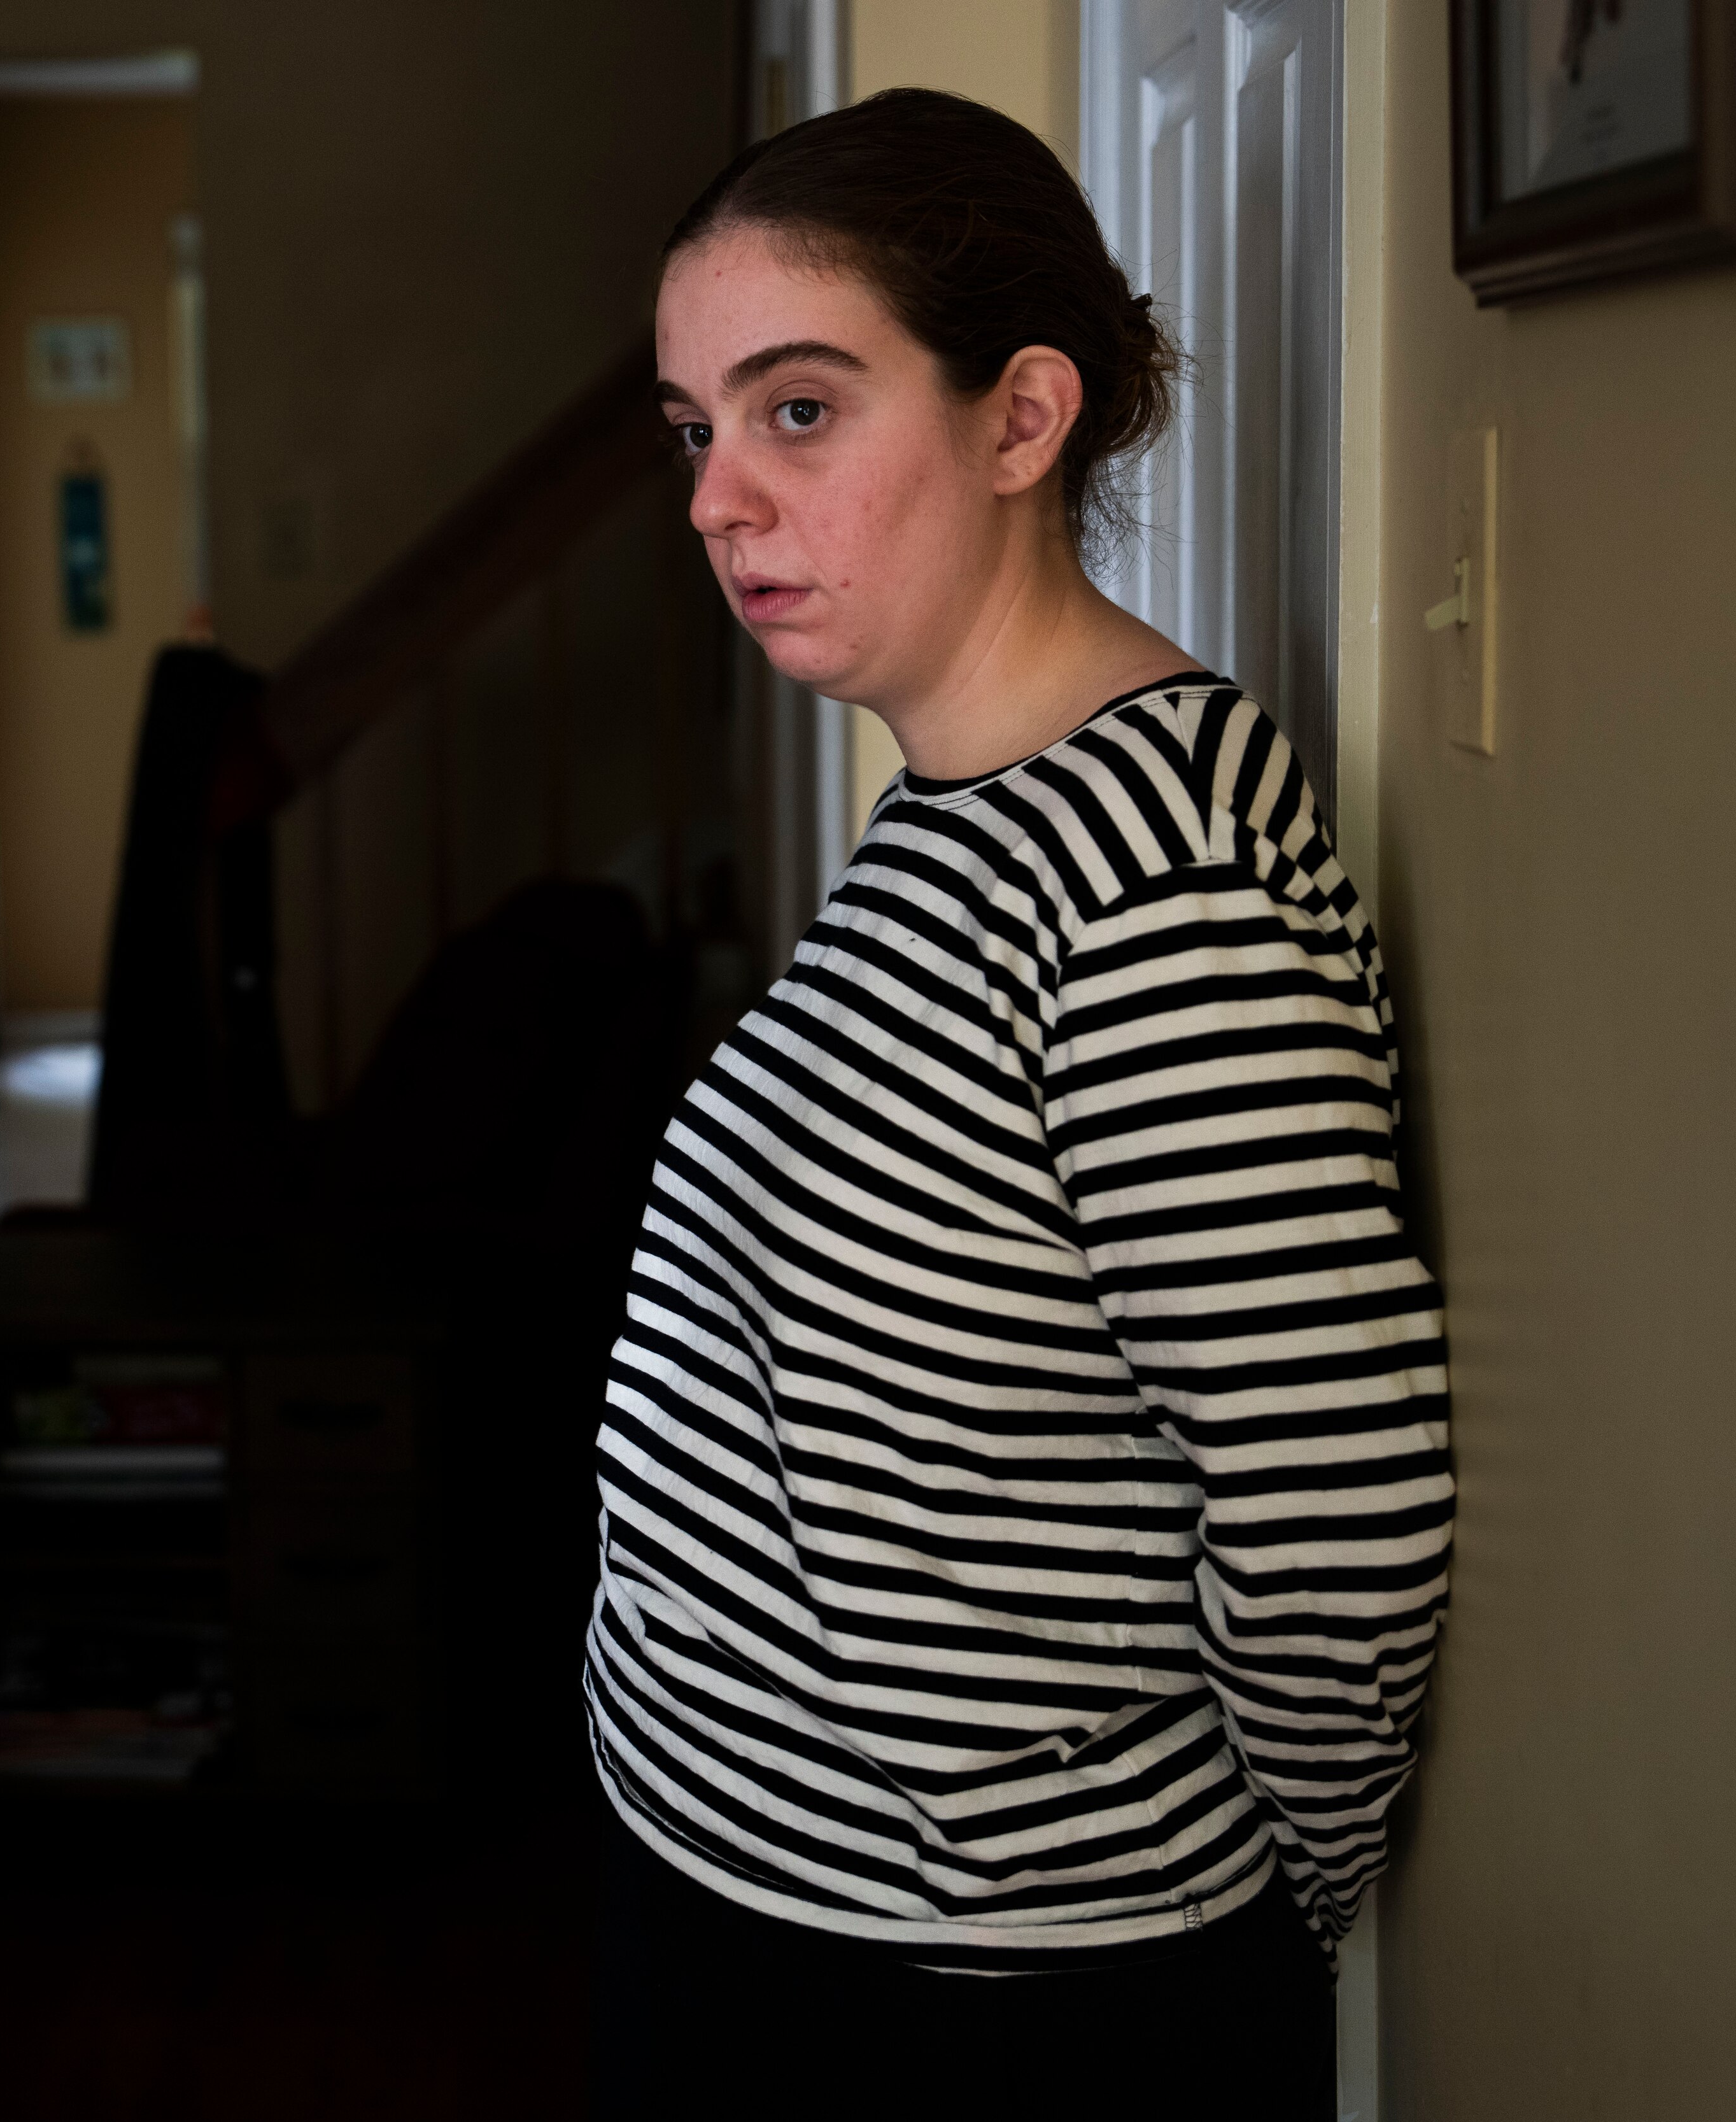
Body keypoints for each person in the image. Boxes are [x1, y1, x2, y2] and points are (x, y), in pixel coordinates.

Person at [585, 90, 1451, 2115]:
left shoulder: (1162, 891)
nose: (718, 495)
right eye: (693, 427)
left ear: (1019, 417)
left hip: (959, 1991)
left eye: (798, 409)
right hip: (768, 1907)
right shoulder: (967, 809)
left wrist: (1269, 1910)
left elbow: (1333, 1523)